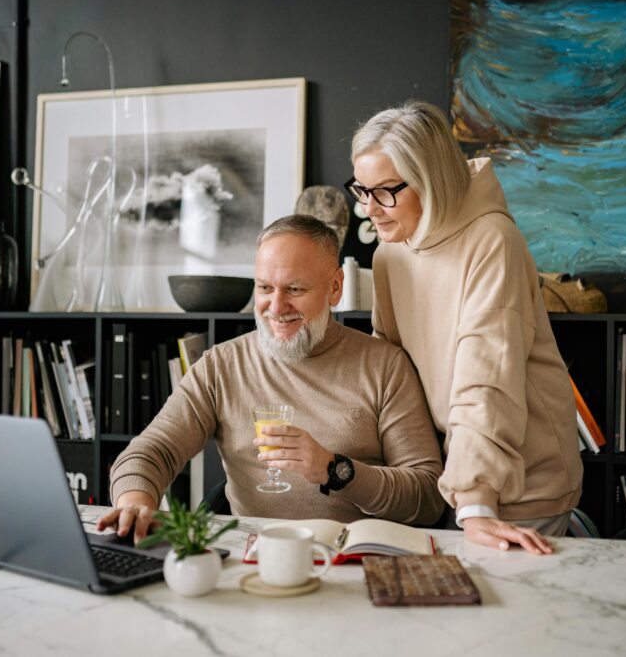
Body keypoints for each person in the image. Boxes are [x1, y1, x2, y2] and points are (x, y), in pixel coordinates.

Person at [99, 215, 444, 542]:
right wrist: (135, 502)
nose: (276, 307)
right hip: (252, 554)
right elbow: (152, 450)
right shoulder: (221, 365)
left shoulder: (385, 366)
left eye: (294, 289)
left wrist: (333, 470)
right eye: (265, 288)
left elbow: (427, 497)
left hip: (351, 558)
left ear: (335, 288)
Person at [347, 101, 583, 554]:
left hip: (520, 481)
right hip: (451, 475)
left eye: (386, 191)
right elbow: (390, 366)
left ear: (431, 181)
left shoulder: (492, 239)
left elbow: (486, 374)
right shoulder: (389, 255)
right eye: (361, 190)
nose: (370, 209)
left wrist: (475, 501)